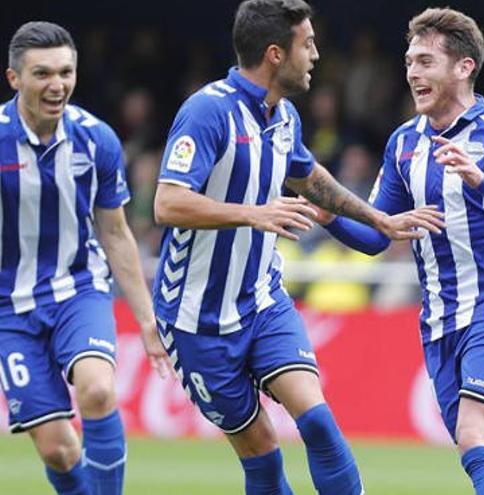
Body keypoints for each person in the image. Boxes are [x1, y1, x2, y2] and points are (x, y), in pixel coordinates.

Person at [151, 1, 441, 494]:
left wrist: (377, 218)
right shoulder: (208, 111)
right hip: (195, 318)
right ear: (274, 54)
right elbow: (167, 203)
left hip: (262, 302)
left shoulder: (282, 117)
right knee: (262, 454)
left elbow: (307, 176)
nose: (316, 54)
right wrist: (253, 213)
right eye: (307, 44)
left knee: (319, 422)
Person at [312, 8, 484, 495]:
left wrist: (482, 182)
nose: (413, 73)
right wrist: (332, 217)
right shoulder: (404, 145)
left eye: (425, 61)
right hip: (441, 319)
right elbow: (378, 237)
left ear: (463, 67)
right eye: (409, 62)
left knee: (476, 439)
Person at [0, 21, 171, 495]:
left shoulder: (96, 140)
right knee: (58, 450)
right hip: (9, 308)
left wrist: (146, 319)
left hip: (79, 288)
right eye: (42, 74)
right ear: (15, 79)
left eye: (65, 72)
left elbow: (115, 234)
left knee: (97, 390)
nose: (57, 85)